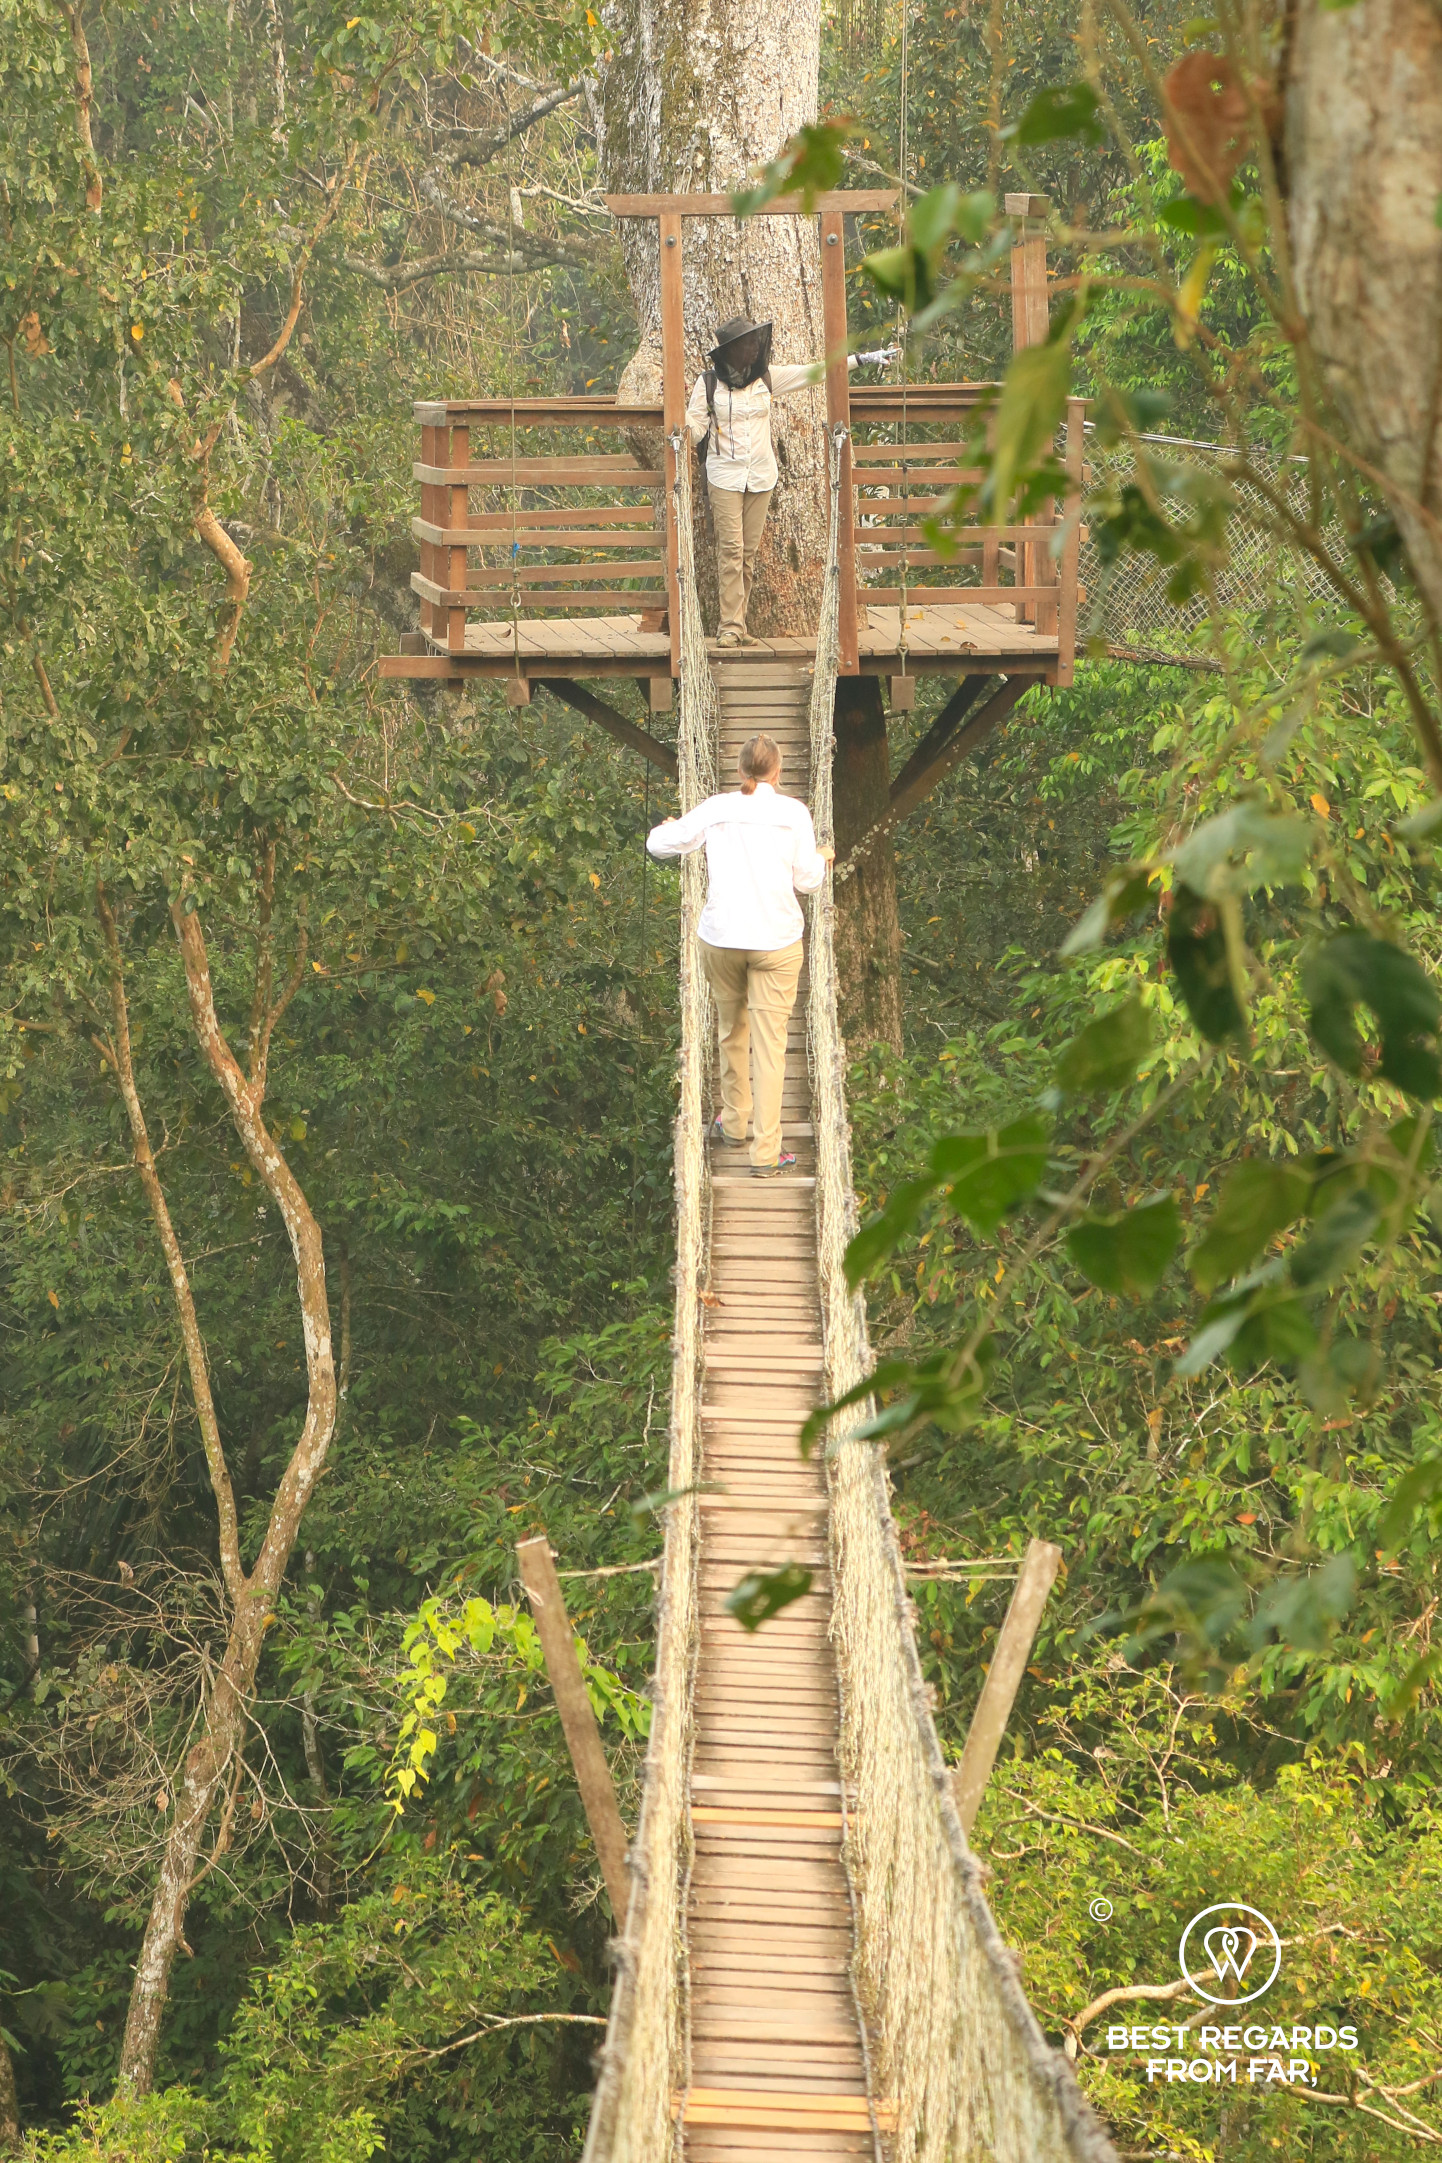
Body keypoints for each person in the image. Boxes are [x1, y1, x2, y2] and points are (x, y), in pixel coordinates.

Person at [647, 732, 833, 1176]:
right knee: (770, 1048)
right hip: (776, 942)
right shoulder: (794, 813)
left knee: (731, 1028)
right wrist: (823, 857)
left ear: (740, 771)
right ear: (778, 772)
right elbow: (808, 881)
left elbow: (659, 845)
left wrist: (672, 826)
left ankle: (733, 1123)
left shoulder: (717, 808)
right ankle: (766, 1154)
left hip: (723, 938)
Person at [685, 317, 900, 646]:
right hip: (724, 475)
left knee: (748, 553)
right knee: (730, 550)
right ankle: (729, 627)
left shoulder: (766, 379)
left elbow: (815, 371)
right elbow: (697, 427)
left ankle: (739, 625)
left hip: (760, 475)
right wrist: (681, 428)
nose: (755, 347)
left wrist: (862, 359)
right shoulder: (709, 384)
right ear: (731, 350)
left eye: (757, 341)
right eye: (748, 343)